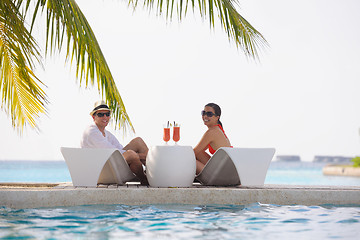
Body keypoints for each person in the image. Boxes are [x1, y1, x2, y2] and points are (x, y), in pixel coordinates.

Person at [81, 100, 149, 185]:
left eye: (107, 114)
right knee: (132, 155)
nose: (105, 117)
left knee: (138, 141)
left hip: (110, 163)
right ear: (94, 117)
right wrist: (140, 156)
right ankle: (145, 178)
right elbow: (111, 152)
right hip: (101, 169)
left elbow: (119, 148)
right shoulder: (92, 131)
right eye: (101, 114)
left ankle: (152, 173)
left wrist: (137, 156)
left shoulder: (107, 133)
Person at [194, 103, 232, 174]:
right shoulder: (217, 129)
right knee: (198, 153)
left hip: (220, 175)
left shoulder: (212, 132)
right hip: (224, 171)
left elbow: (193, 152)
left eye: (209, 114)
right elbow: (198, 152)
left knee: (190, 160)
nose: (205, 116)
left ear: (217, 117)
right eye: (203, 113)